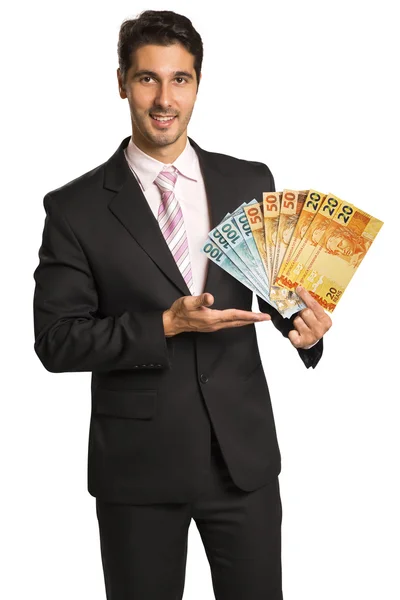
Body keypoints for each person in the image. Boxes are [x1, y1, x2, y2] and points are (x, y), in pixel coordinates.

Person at [32, 9, 332, 600]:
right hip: (138, 469)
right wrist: (164, 324)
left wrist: (305, 330)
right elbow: (56, 340)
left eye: (180, 79)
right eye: (148, 79)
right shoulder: (75, 208)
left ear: (198, 83)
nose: (164, 98)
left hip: (241, 465)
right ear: (122, 82)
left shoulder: (249, 182)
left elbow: (278, 296)